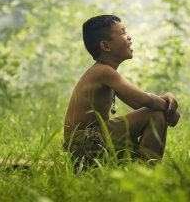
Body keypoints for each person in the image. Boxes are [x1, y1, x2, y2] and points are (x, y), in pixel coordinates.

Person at [63, 15, 180, 165]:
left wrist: (166, 98)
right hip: (83, 143)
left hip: (88, 143)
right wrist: (169, 108)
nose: (129, 37)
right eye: (123, 33)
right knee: (155, 114)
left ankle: (144, 174)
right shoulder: (102, 72)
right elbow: (147, 100)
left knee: (156, 113)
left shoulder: (107, 73)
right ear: (106, 46)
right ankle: (145, 176)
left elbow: (142, 104)